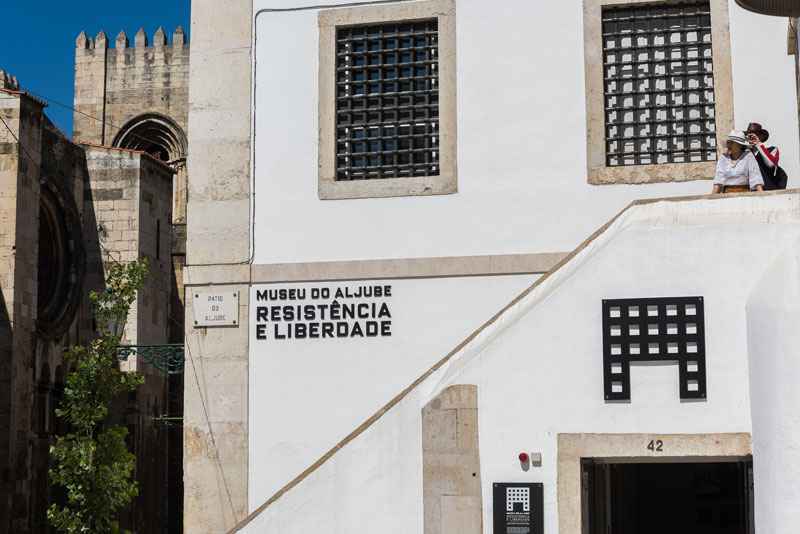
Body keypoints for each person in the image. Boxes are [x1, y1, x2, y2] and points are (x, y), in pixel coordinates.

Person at [745, 122, 786, 190]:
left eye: (754, 135)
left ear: (760, 136)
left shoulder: (772, 150)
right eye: (749, 135)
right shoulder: (746, 153)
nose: (751, 137)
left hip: (770, 190)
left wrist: (758, 144)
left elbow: (770, 164)